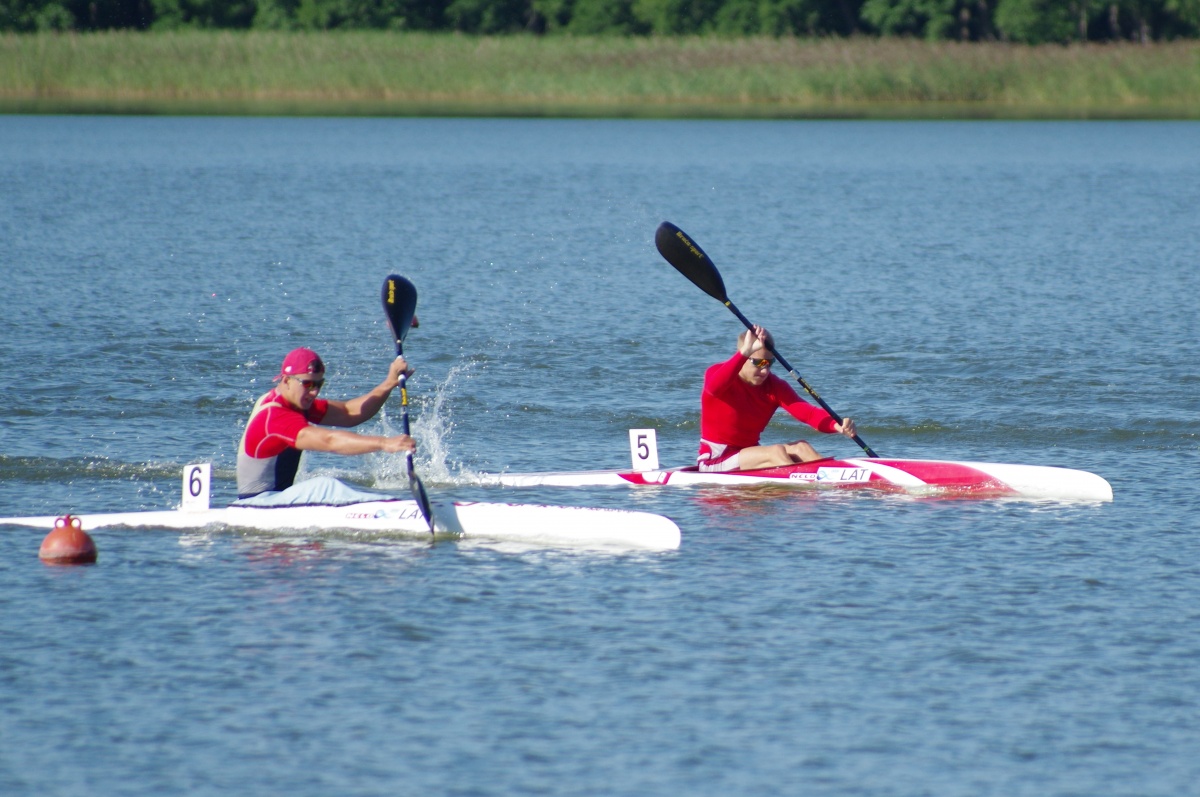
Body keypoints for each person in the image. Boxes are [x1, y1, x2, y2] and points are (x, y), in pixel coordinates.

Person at [236, 347, 417, 498]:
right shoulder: (275, 416)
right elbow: (329, 441)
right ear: (286, 380)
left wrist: (388, 384)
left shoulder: (295, 402)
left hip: (277, 499)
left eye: (318, 384)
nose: (314, 392)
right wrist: (384, 443)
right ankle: (391, 510)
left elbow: (349, 412)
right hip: (258, 504)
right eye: (308, 384)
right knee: (325, 486)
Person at [698, 325, 857, 472]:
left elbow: (808, 414)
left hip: (749, 454)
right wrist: (744, 352)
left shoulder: (774, 386)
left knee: (802, 448)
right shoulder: (716, 373)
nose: (765, 371)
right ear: (743, 356)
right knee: (775, 452)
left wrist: (836, 425)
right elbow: (714, 388)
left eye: (769, 363)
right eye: (759, 363)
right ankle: (803, 483)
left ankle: (834, 478)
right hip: (716, 459)